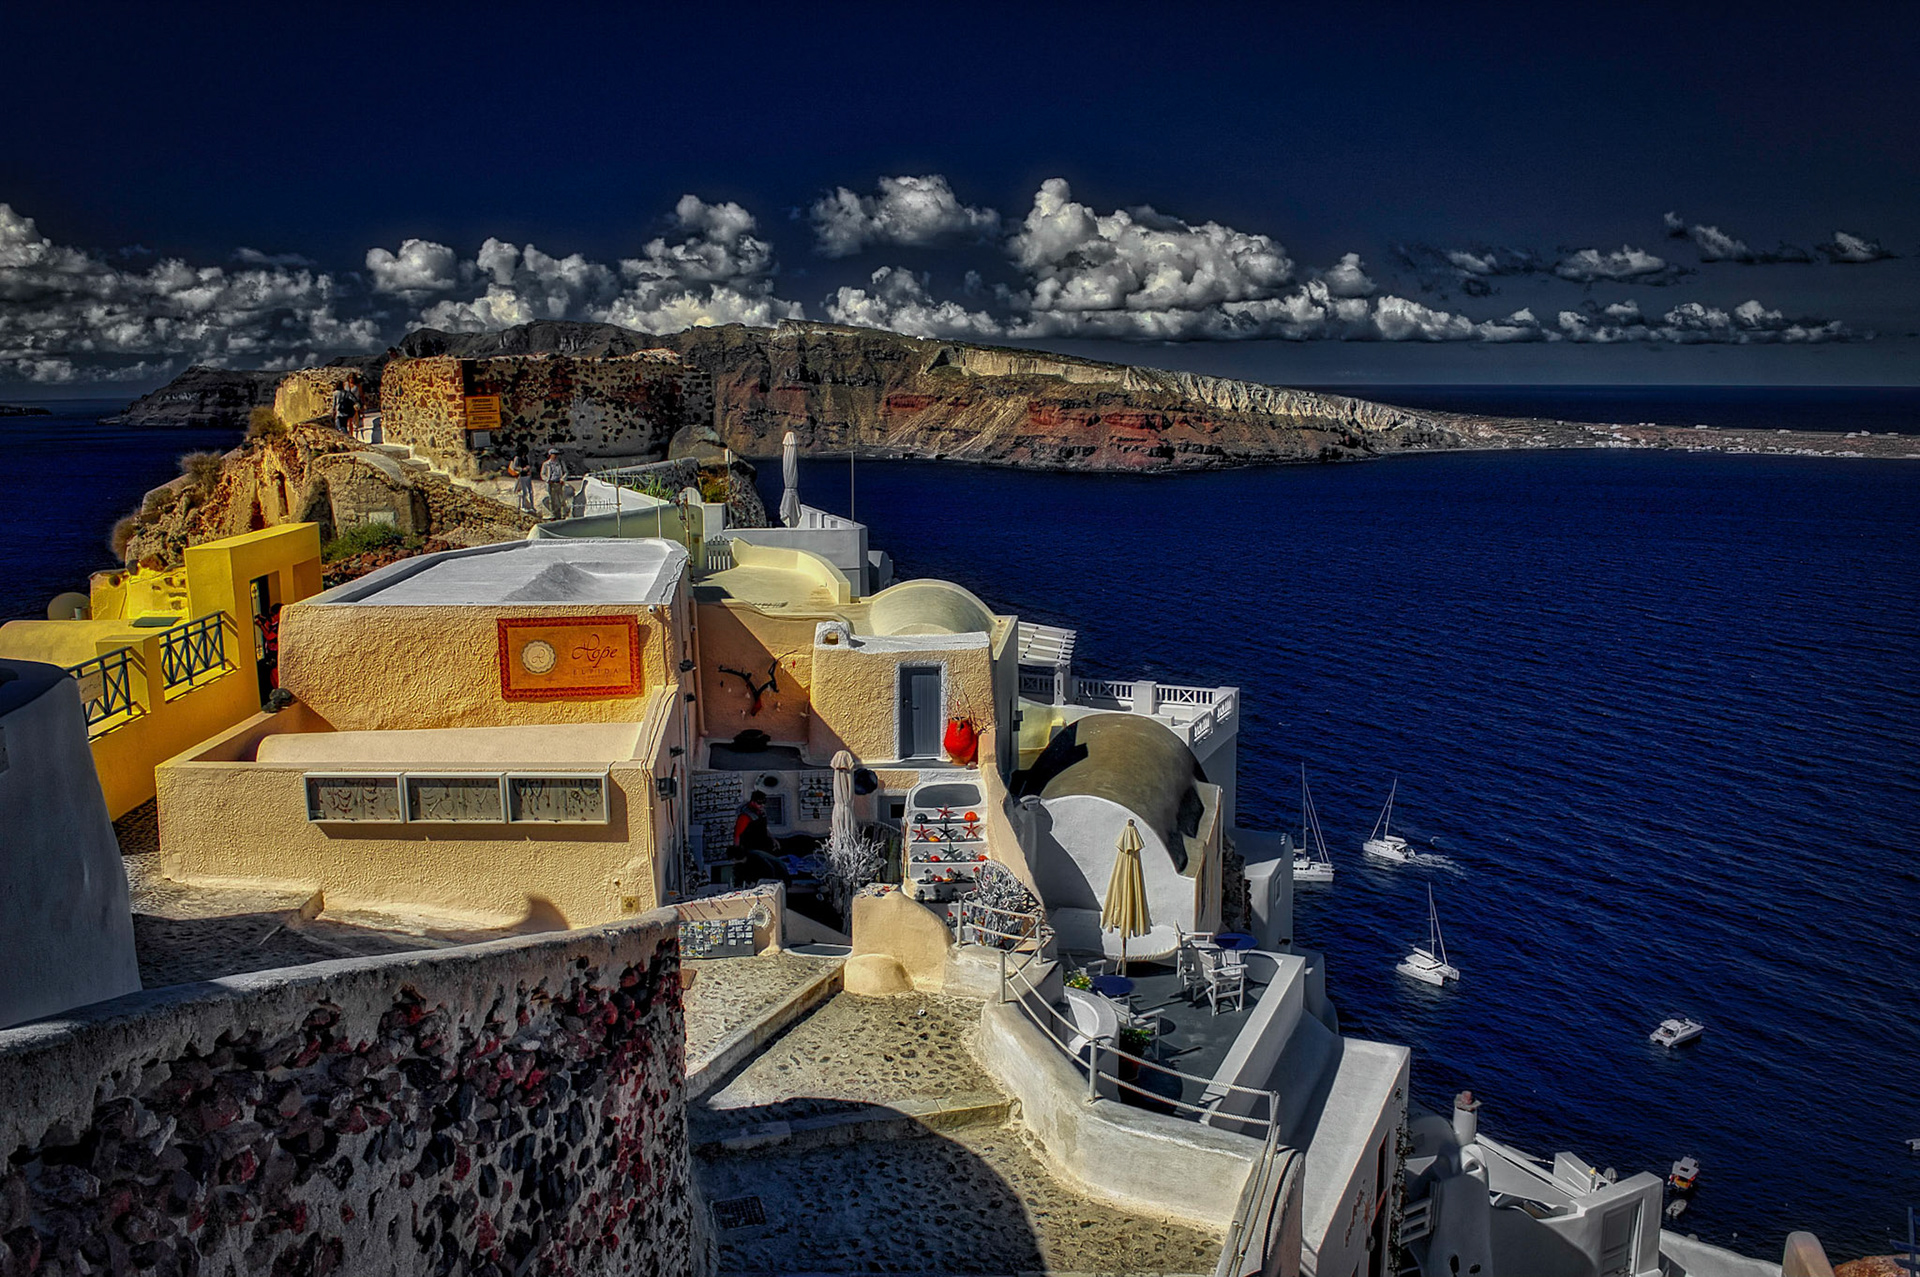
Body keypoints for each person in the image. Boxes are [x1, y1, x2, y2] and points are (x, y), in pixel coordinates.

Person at [539, 447, 569, 519]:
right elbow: (542, 474)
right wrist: (547, 480)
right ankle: (553, 514)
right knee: (552, 500)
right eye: (554, 454)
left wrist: (562, 479)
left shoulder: (561, 463)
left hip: (559, 483)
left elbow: (566, 472)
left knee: (562, 499)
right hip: (551, 483)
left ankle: (563, 514)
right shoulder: (546, 464)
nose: (555, 456)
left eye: (556, 454)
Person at [508, 447, 536, 515]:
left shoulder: (526, 457)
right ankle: (522, 506)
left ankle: (532, 506)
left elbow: (529, 464)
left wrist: (529, 468)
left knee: (530, 491)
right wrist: (522, 469)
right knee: (524, 492)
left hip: (528, 476)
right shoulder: (517, 458)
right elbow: (514, 467)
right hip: (522, 476)